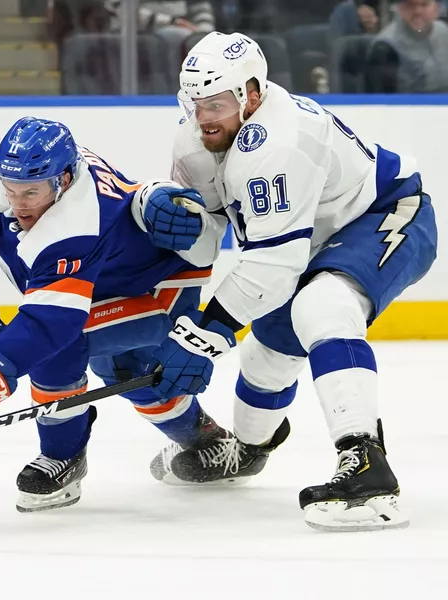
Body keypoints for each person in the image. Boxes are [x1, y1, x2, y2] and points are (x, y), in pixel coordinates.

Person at [140, 31, 437, 531]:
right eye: (193, 102)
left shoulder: (281, 140)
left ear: (251, 94)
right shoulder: (194, 139)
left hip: (387, 214)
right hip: (306, 242)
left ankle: (366, 465)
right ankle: (248, 451)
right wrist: (184, 223)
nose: (203, 116)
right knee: (264, 357)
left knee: (321, 306)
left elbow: (274, 267)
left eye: (215, 102)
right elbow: (213, 232)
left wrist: (204, 332)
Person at [0, 116, 230, 512]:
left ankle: (64, 456)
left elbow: (52, 324)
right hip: (101, 281)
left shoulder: (80, 218)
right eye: (10, 189)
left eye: (31, 191)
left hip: (156, 282)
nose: (16, 202)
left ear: (63, 180)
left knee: (72, 352)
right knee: (124, 373)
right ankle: (206, 441)